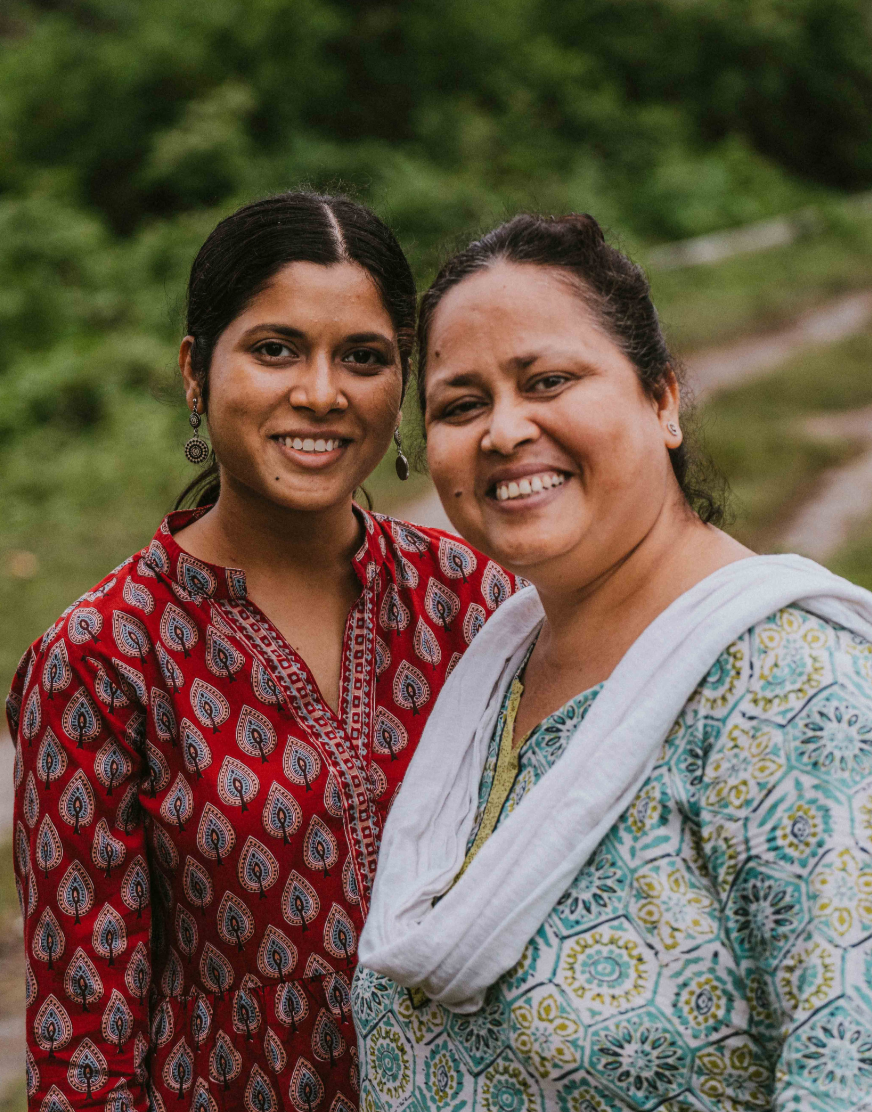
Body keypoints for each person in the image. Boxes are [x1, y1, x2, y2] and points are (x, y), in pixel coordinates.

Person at [10, 192, 515, 1112]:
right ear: (195, 371)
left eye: (362, 357)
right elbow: (83, 1042)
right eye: (275, 349)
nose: (321, 393)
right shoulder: (103, 658)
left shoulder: (475, 599)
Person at [354, 213, 872, 1111]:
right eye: (460, 405)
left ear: (662, 399)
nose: (502, 431)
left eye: (547, 381)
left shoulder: (793, 690)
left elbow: (846, 1068)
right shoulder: (486, 681)